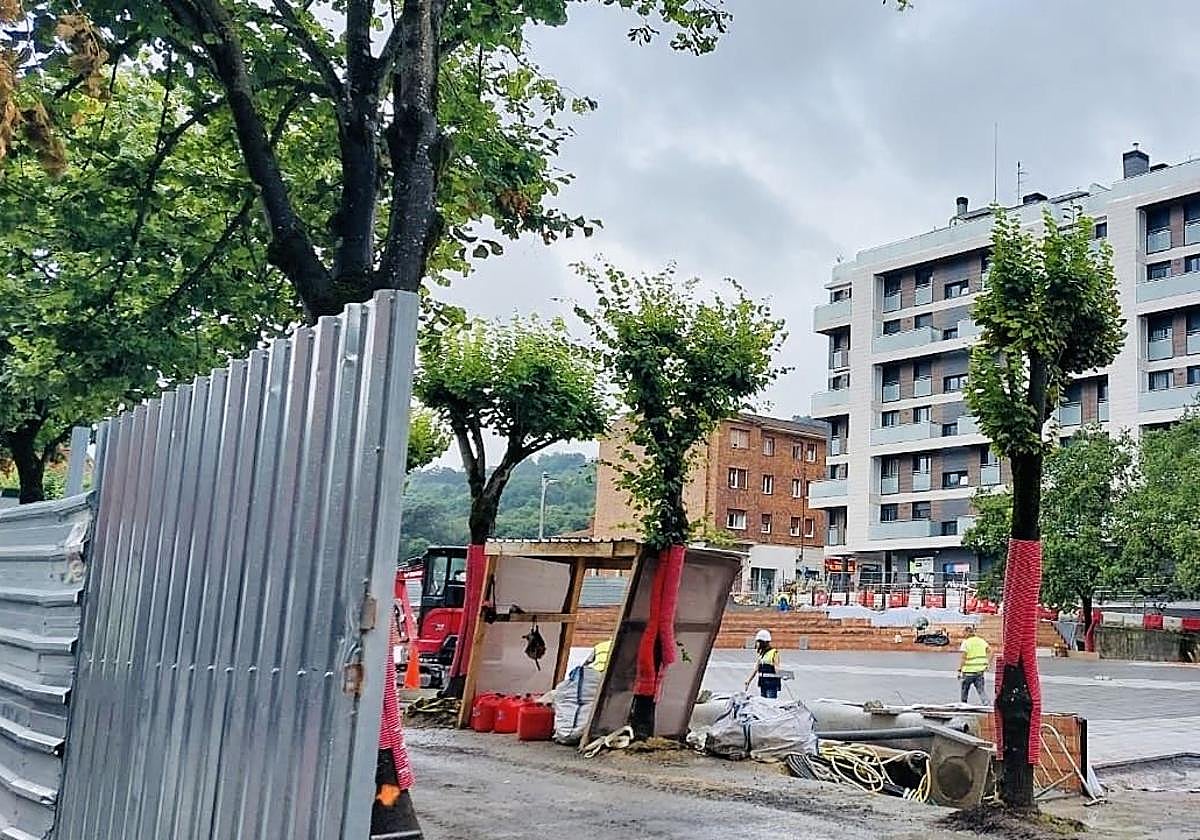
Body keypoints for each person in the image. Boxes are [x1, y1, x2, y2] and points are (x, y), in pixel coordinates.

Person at [957, 625, 991, 704]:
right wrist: (988, 663)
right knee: (981, 690)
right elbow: (990, 651)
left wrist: (959, 670)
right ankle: (986, 704)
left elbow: (963, 658)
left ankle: (963, 705)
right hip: (979, 671)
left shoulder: (966, 642)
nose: (963, 634)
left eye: (964, 633)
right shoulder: (981, 641)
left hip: (968, 672)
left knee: (964, 691)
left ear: (967, 632)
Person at [745, 629, 782, 698]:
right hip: (763, 682)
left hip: (771, 684)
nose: (757, 644)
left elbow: (777, 668)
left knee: (770, 704)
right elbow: (756, 669)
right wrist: (748, 680)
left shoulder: (774, 653)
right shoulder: (761, 654)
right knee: (763, 704)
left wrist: (783, 675)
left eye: (758, 642)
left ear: (763, 642)